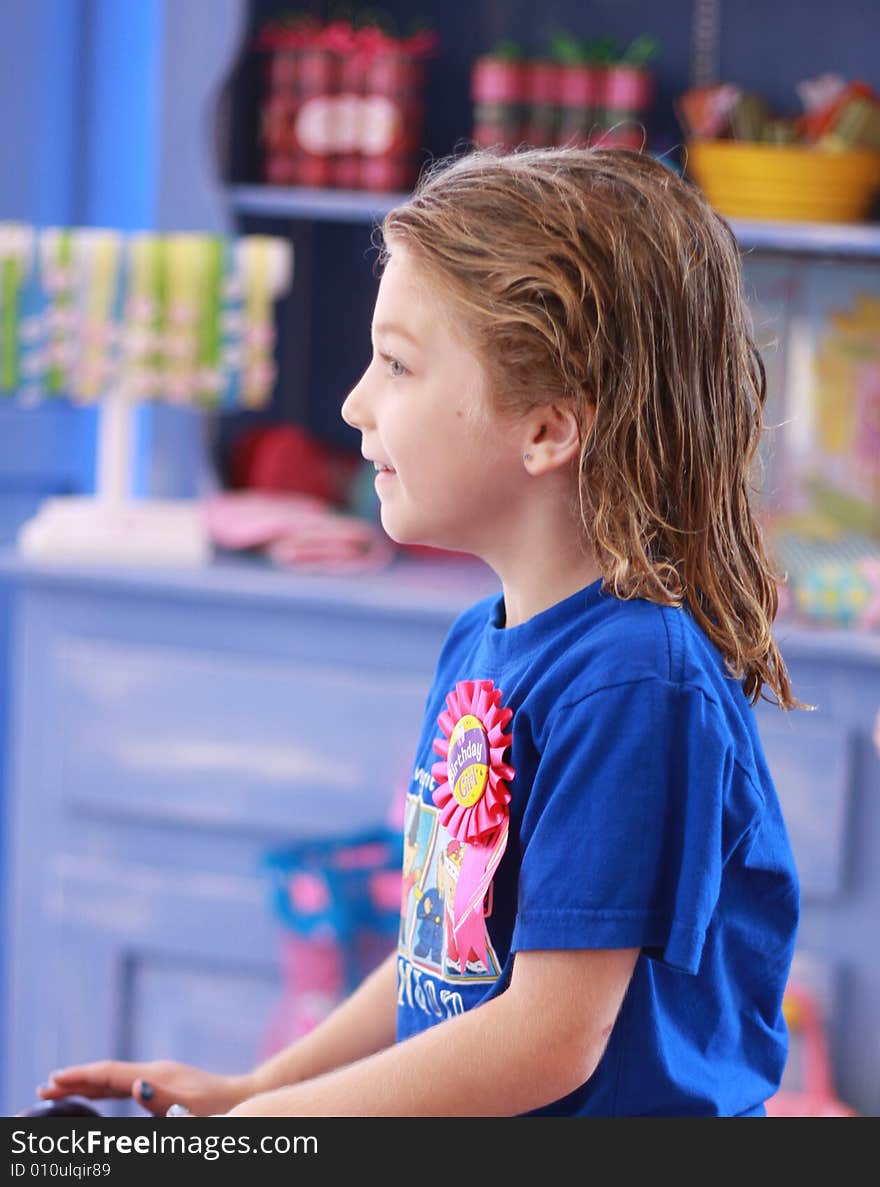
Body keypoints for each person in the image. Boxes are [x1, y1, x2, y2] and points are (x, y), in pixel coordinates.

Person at [38, 145, 802, 1118]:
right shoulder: (479, 643)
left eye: (396, 364)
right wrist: (255, 1089)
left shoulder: (633, 679)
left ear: (548, 428)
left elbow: (549, 1037)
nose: (355, 403)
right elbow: (444, 943)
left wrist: (274, 1130)